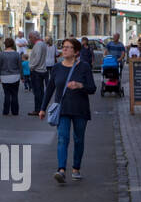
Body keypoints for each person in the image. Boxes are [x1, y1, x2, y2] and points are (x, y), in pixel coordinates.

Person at [39, 37, 96, 184]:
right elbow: (50, 89)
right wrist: (42, 108)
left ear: (76, 52)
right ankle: (61, 170)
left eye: (68, 47)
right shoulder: (57, 68)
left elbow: (92, 88)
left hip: (80, 109)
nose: (64, 49)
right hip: (62, 109)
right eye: (63, 47)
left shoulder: (84, 67)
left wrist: (79, 85)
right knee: (62, 138)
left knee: (78, 139)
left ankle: (76, 168)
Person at [0, 37, 23, 115]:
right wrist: (22, 77)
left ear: (5, 44)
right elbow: (20, 66)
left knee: (7, 94)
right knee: (15, 94)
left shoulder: (1, 54)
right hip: (15, 76)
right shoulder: (16, 54)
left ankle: (6, 111)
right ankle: (15, 111)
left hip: (5, 77)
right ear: (13, 44)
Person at [27, 32, 48, 114]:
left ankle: (38, 109)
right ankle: (41, 109)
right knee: (40, 91)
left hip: (37, 71)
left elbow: (37, 58)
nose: (29, 39)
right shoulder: (42, 44)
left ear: (34, 37)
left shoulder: (38, 44)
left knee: (37, 92)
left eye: (30, 37)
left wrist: (31, 66)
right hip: (41, 70)